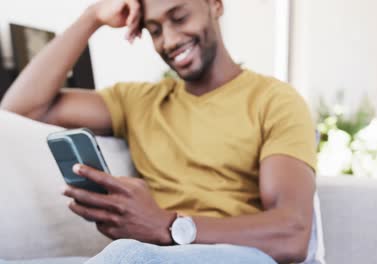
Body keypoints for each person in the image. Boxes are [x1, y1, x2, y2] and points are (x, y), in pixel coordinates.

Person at [0, 0, 318, 263]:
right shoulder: (140, 102)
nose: (169, 40)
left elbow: (292, 233)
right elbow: (21, 109)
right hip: (161, 253)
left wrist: (169, 225)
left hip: (244, 253)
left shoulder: (275, 100)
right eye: (154, 30)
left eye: (179, 17)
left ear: (215, 5)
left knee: (129, 255)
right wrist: (92, 18)